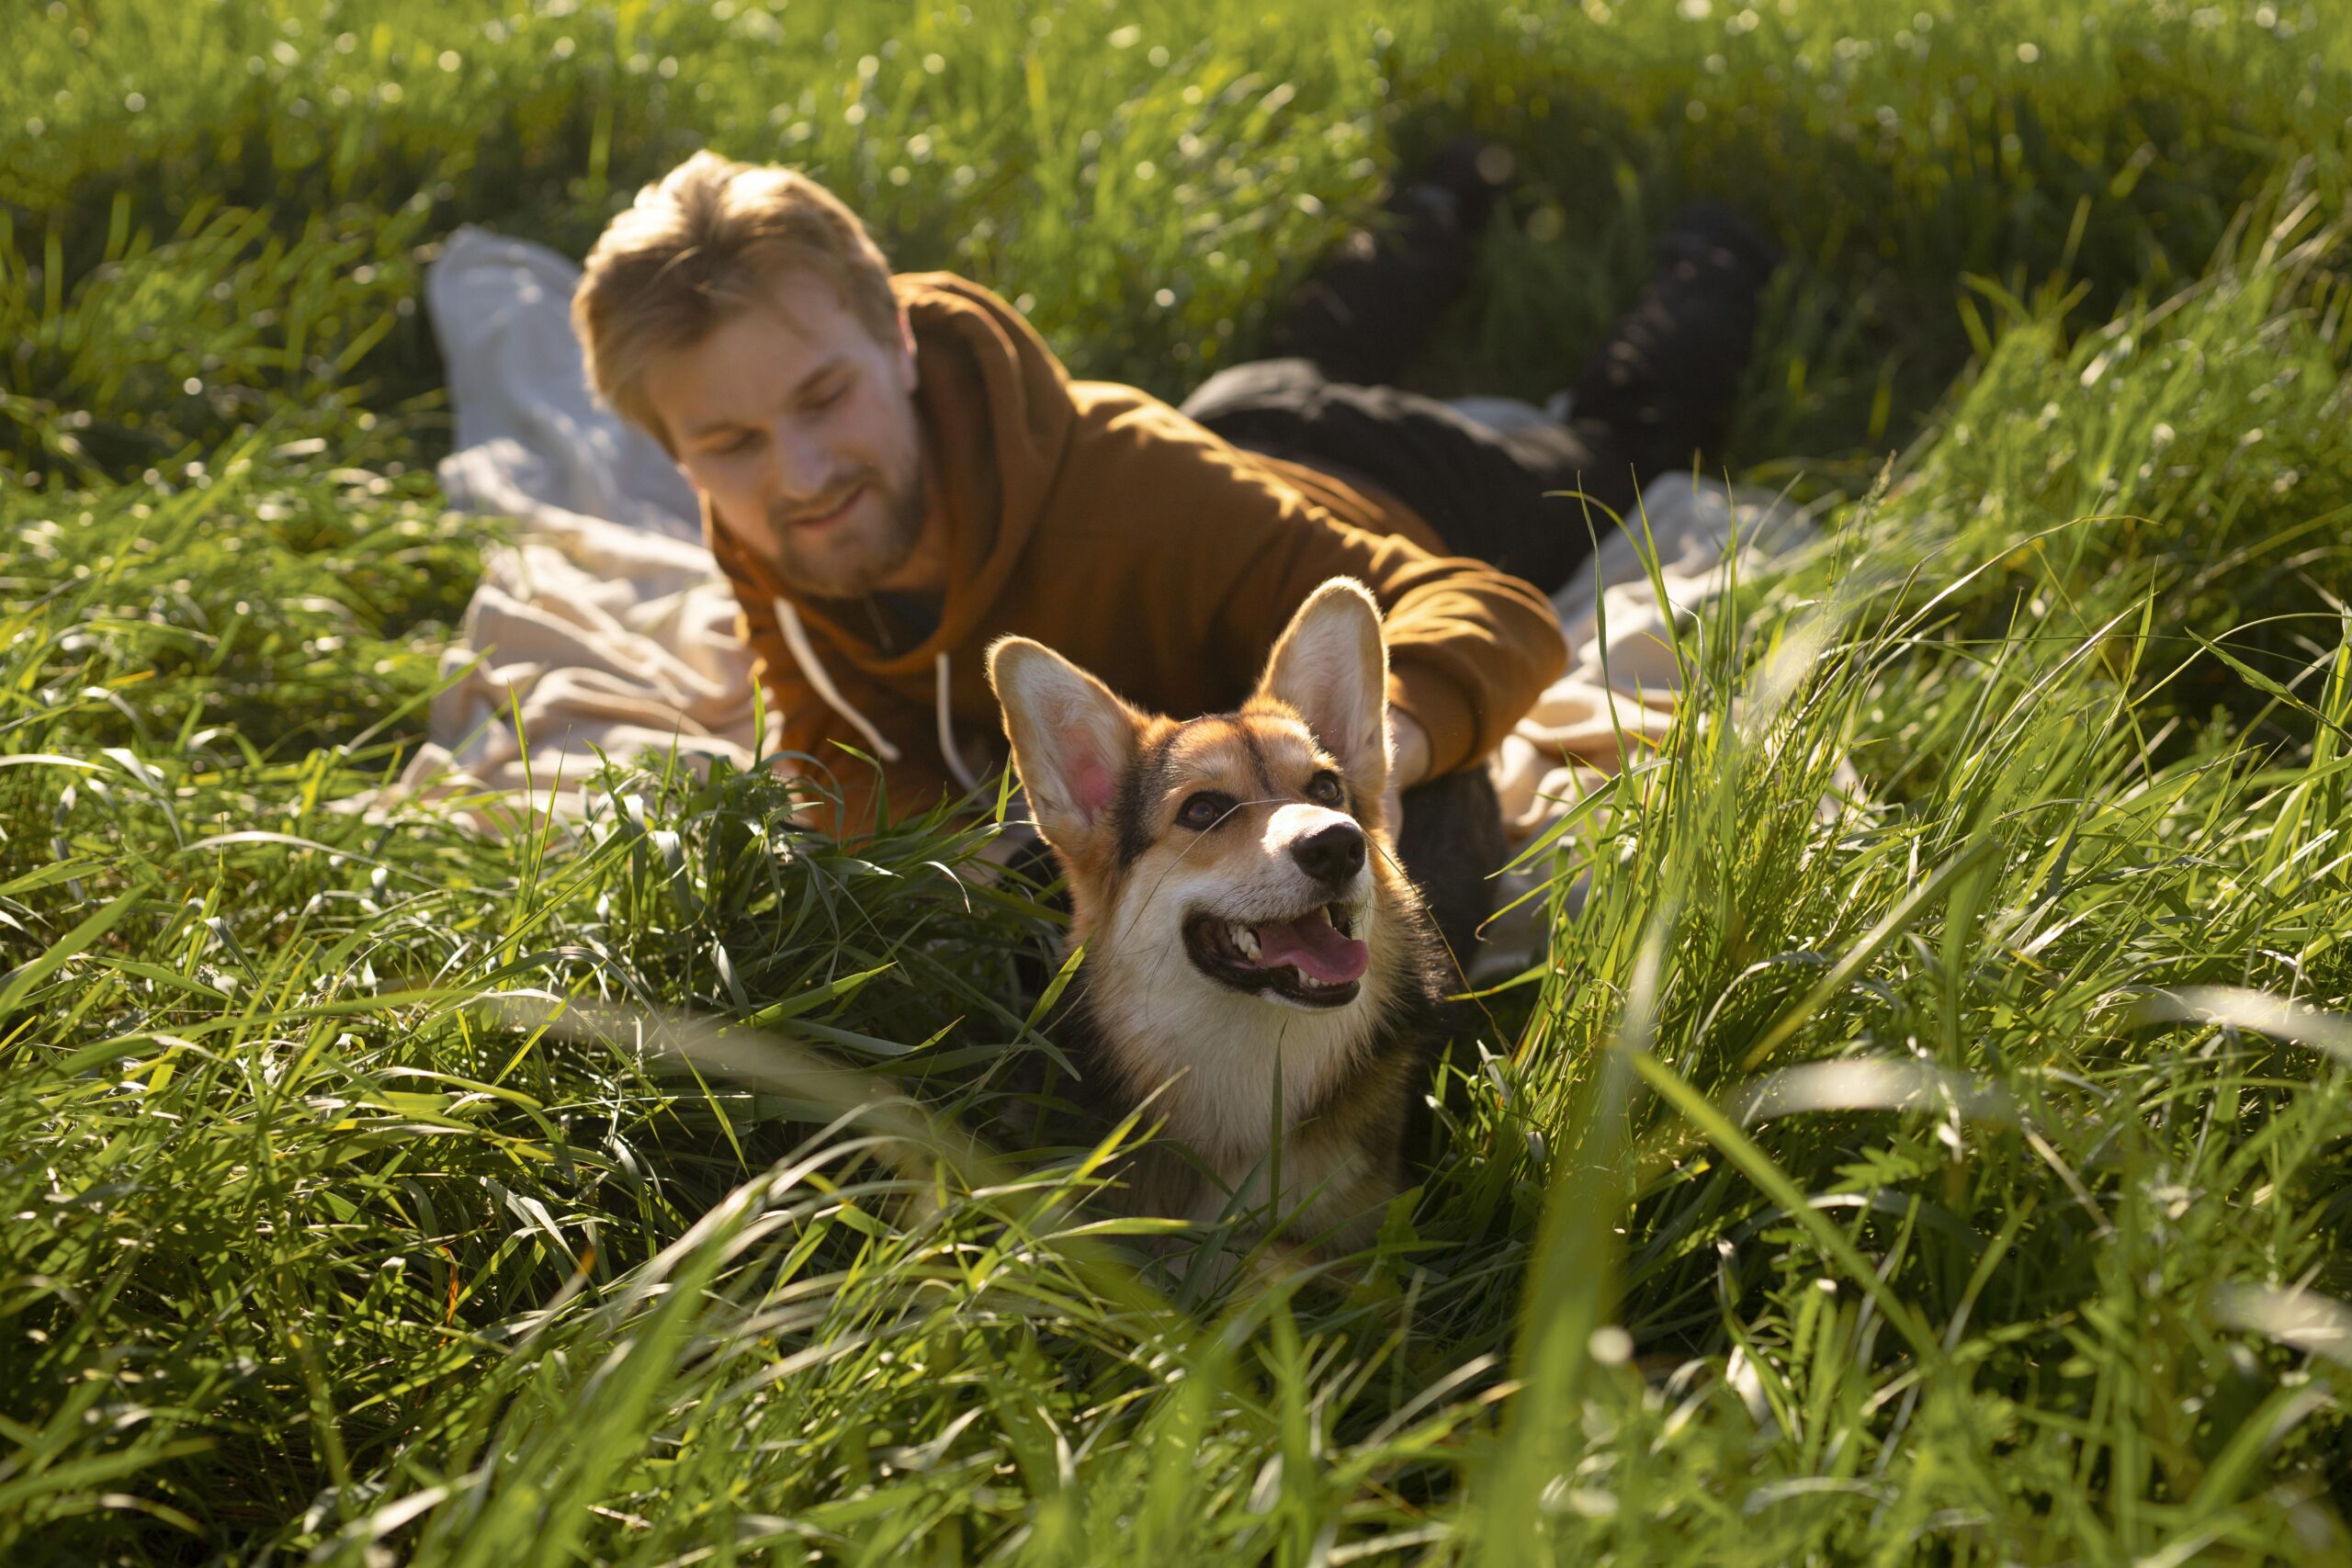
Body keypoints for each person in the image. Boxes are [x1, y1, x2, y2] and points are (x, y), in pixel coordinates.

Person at [569, 146, 1774, 941]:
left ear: (896, 338)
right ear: (681, 450)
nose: (801, 475)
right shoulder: (776, 518)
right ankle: (1438, 198)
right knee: (1287, 362)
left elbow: (1490, 605)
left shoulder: (1141, 498)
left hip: (1383, 481)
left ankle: (1720, 244)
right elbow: (833, 739)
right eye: (727, 442)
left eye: (826, 398)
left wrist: (1370, 749)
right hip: (1230, 430)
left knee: (1607, 449)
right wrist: (953, 862)